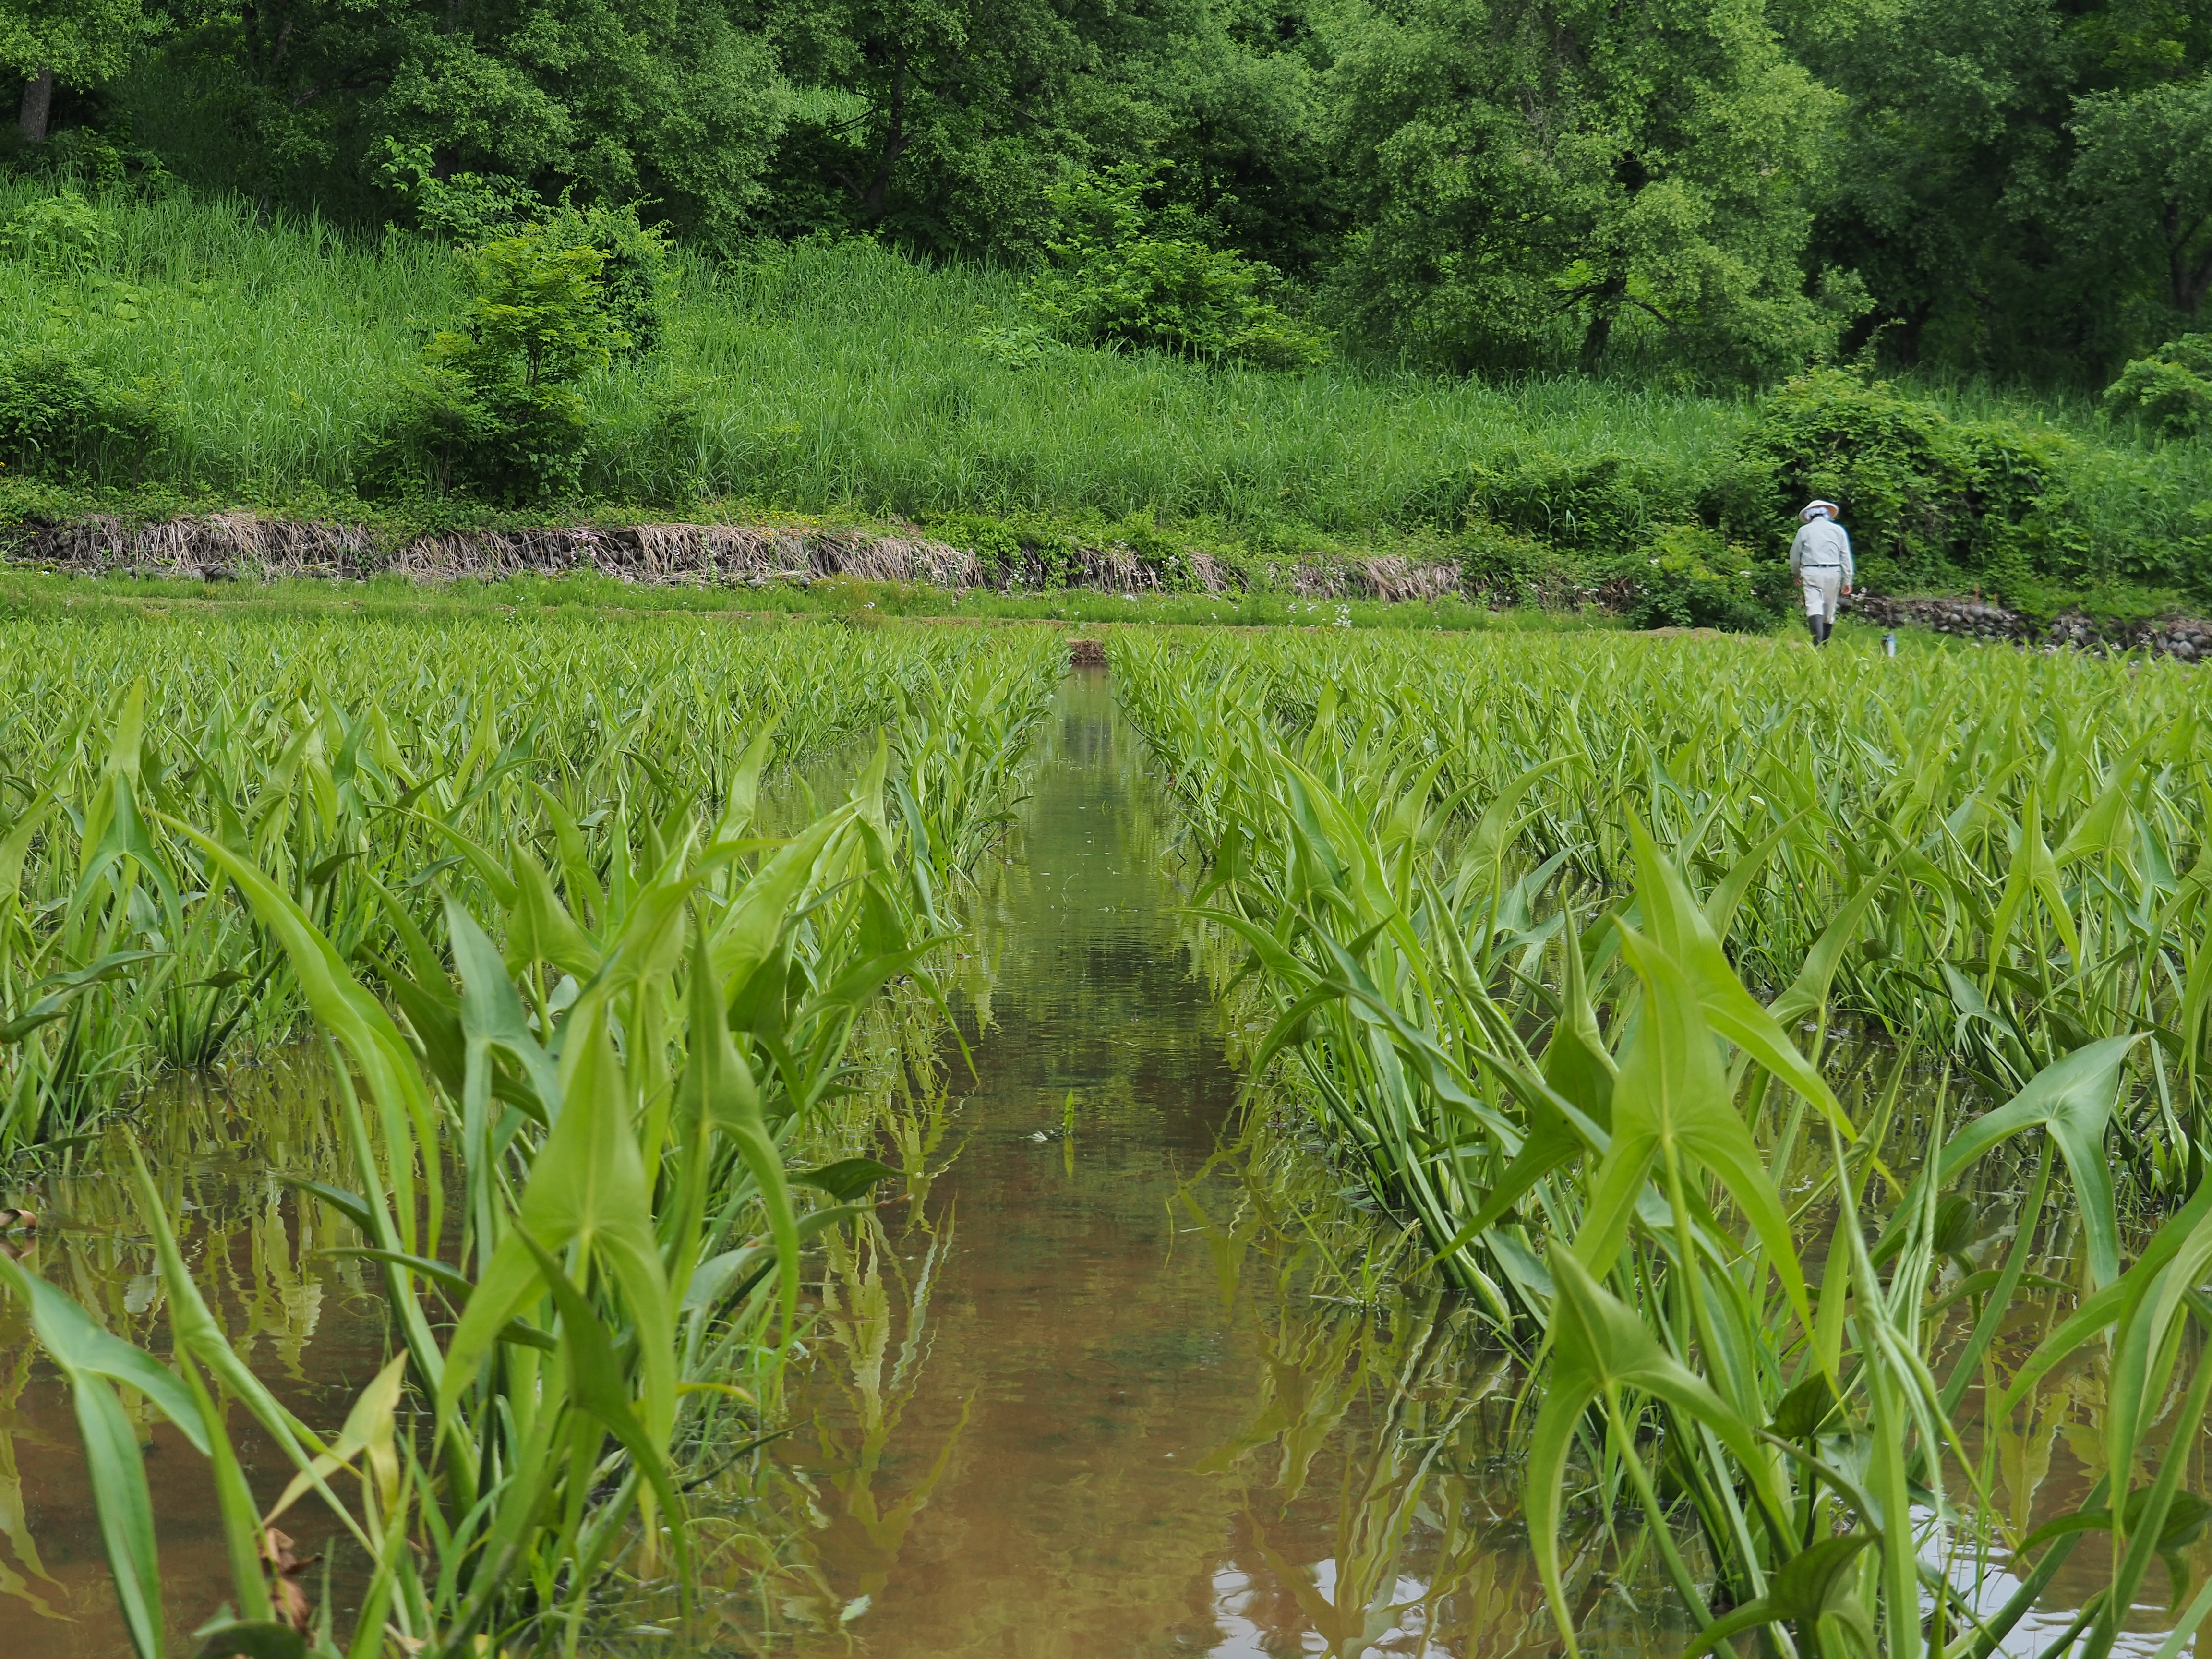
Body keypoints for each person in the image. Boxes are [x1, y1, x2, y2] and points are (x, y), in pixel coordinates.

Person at [1788, 500, 1853, 647]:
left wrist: (1796, 574)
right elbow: (1845, 556)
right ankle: (1823, 645)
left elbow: (1795, 555)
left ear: (1809, 516)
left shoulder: (1804, 531)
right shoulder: (1838, 530)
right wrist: (1847, 580)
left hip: (1811, 571)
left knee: (1814, 606)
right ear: (1826, 514)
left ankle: (1817, 644)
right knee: (1829, 610)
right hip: (1833, 572)